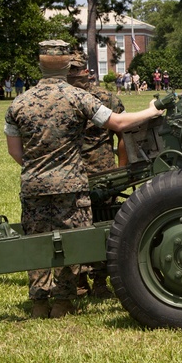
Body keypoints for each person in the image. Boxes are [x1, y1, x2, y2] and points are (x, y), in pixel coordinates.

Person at [5, 40, 165, 319]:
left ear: (40, 64)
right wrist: (152, 110)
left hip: (33, 184)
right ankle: (63, 302)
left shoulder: (19, 102)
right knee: (71, 241)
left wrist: (40, 169)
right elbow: (118, 123)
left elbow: (14, 151)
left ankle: (40, 303)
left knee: (37, 241)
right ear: (67, 66)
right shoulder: (78, 97)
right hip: (71, 183)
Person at [67, 53, 127, 299]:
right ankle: (79, 281)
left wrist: (121, 172)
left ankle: (101, 282)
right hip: (71, 173)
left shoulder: (106, 98)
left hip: (103, 171)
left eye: (76, 71)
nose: (73, 76)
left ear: (86, 72)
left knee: (104, 225)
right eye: (68, 71)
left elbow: (124, 136)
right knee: (73, 225)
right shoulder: (62, 99)